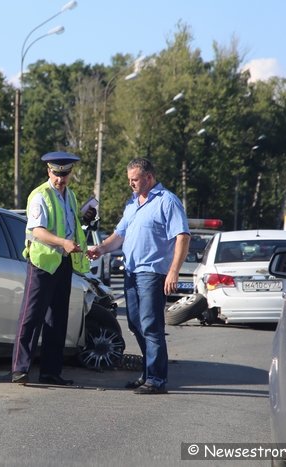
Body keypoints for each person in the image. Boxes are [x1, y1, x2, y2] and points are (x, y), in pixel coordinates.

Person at [88, 158, 189, 394]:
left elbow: (182, 237)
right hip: (131, 272)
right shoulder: (133, 204)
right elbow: (119, 235)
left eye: (135, 179)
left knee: (151, 325)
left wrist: (173, 270)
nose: (131, 184)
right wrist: (100, 249)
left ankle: (157, 379)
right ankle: (147, 372)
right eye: (129, 180)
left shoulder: (167, 201)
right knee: (135, 323)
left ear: (149, 178)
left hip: (152, 273)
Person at [11, 151, 91, 386]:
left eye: (65, 174)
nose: (60, 179)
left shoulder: (71, 196)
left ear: (70, 174)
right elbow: (38, 231)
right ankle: (20, 369)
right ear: (49, 171)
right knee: (31, 316)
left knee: (57, 318)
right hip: (42, 263)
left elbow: (71, 223)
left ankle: (51, 371)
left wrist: (85, 216)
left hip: (63, 262)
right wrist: (63, 242)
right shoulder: (40, 195)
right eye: (56, 173)